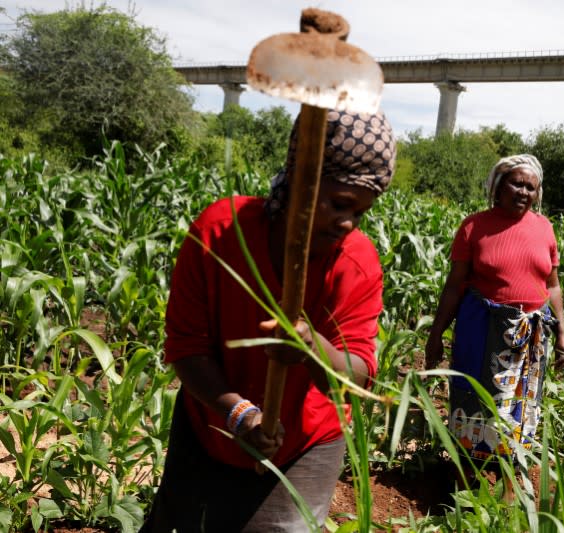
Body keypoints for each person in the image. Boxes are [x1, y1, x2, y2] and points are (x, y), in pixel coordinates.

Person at [141, 109, 396, 532]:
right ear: (299, 181)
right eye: (338, 204)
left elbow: (358, 375)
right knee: (179, 523)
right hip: (210, 419)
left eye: (361, 212)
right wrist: (239, 413)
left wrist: (311, 348)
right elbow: (186, 348)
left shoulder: (357, 262)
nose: (348, 222)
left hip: (305, 440)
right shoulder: (219, 232)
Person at [424, 154, 564, 490]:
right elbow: (455, 284)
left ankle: (508, 480)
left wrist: (561, 329)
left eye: (530, 187)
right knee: (472, 397)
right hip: (480, 327)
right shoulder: (474, 226)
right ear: (498, 186)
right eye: (516, 183)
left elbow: (553, 285)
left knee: (518, 405)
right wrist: (436, 334)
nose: (523, 191)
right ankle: (465, 478)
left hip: (528, 334)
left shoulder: (544, 228)